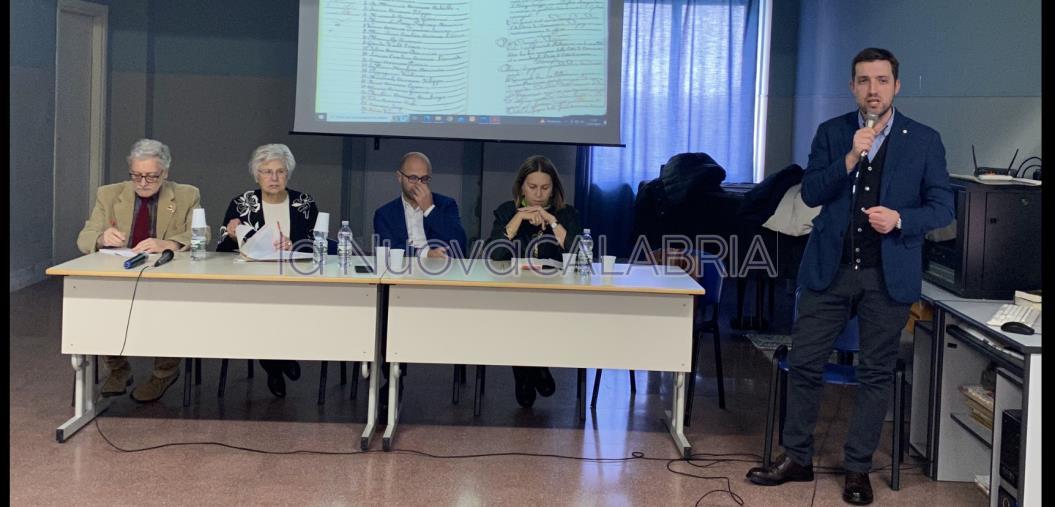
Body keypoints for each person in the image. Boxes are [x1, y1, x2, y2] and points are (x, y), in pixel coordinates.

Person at [745, 48, 953, 505]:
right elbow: (813, 191)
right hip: (829, 270)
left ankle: (858, 468)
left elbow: (943, 208)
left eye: (881, 80)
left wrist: (899, 219)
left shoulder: (924, 140)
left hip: (888, 274)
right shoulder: (833, 132)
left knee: (876, 372)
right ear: (852, 86)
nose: (873, 89)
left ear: (897, 85)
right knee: (804, 364)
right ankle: (796, 458)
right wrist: (848, 160)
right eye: (863, 81)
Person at [76, 138, 204, 403]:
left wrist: (168, 243)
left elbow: (200, 234)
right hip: (120, 273)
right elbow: (84, 237)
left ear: (165, 173)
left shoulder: (186, 194)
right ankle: (118, 368)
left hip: (165, 278)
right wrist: (101, 237)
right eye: (137, 176)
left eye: (151, 177)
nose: (143, 183)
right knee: (98, 303)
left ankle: (164, 373)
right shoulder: (109, 194)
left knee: (173, 306)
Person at [216, 143, 321, 397]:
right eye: (266, 171)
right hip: (252, 284)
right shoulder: (243, 203)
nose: (274, 178)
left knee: (287, 306)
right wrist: (231, 236)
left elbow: (318, 247)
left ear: (288, 174)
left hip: (295, 282)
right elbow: (219, 252)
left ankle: (276, 360)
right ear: (256, 175)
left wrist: (294, 245)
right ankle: (275, 364)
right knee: (261, 307)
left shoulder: (304, 203)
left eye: (280, 172)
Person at [487, 155, 583, 408]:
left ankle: (536, 365)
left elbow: (579, 254)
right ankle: (526, 372)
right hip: (513, 293)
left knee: (537, 312)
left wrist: (552, 221)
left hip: (556, 294)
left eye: (545, 188)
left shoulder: (567, 213)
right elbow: (494, 256)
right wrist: (517, 221)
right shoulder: (506, 211)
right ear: (521, 187)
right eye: (532, 187)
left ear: (554, 189)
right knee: (517, 313)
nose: (538, 194)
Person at [373, 151, 468, 258]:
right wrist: (426, 254)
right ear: (399, 177)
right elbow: (389, 248)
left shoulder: (446, 204)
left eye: (424, 179)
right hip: (402, 269)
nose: (419, 184)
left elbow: (460, 243)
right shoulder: (384, 214)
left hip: (439, 269)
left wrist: (430, 209)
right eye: (413, 178)